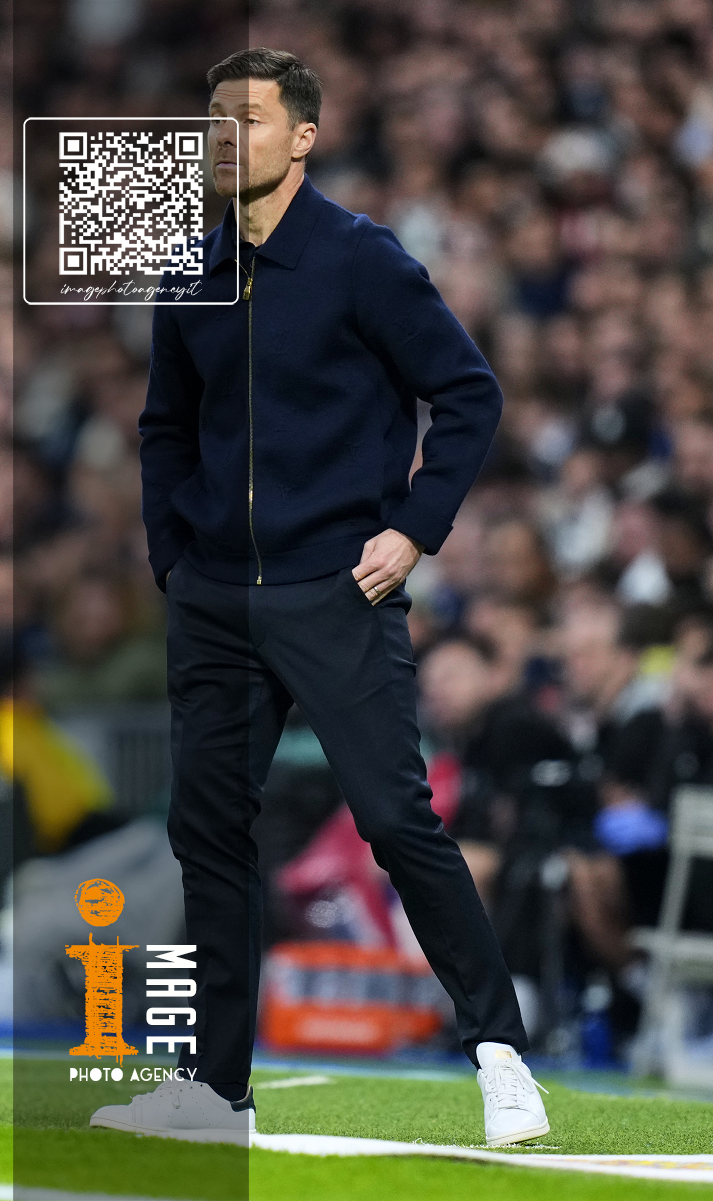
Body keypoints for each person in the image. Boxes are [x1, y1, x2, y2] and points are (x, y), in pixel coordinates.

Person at [91, 48, 547, 1148]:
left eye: (247, 119)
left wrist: (414, 528)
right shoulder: (189, 269)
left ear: (302, 137)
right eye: (213, 118)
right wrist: (172, 558)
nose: (222, 136)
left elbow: (468, 393)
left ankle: (499, 1052)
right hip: (212, 595)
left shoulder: (360, 258)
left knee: (394, 816)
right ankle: (216, 1093)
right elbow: (164, 427)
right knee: (207, 834)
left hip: (335, 586)